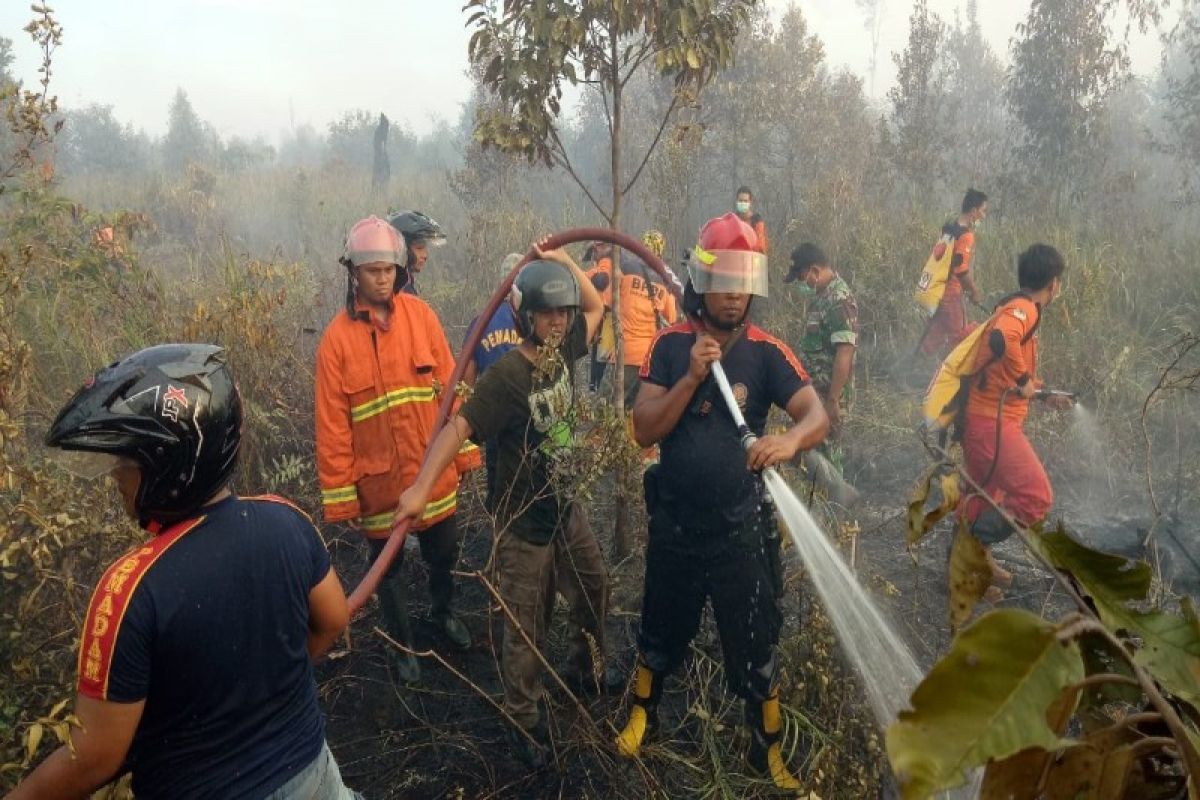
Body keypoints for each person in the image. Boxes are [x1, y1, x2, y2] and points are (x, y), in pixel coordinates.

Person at [9, 344, 357, 800]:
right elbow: (333, 620)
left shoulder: (129, 589)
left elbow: (95, 757)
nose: (116, 476)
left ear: (172, 465)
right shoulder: (286, 519)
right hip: (315, 778)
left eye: (127, 464)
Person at [615, 213, 828, 791]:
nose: (734, 294)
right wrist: (689, 378)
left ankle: (768, 752)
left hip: (740, 532)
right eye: (724, 280)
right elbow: (642, 430)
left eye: (744, 280)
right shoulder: (669, 345)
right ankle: (642, 714)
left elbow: (817, 414)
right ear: (703, 283)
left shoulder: (765, 353)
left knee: (756, 644)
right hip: (677, 528)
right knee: (659, 628)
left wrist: (787, 439)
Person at [394, 240, 612, 770]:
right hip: (521, 524)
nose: (559, 321)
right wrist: (422, 487)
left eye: (560, 312)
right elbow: (459, 427)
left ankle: (587, 670)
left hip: (565, 507)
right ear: (526, 316)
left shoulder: (564, 355)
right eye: (547, 312)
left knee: (595, 587)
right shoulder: (507, 376)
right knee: (525, 625)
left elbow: (597, 307)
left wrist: (561, 263)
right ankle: (524, 715)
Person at [315, 216, 471, 688]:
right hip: (379, 484)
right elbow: (333, 426)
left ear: (399, 270)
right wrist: (341, 496)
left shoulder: (422, 318)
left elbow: (453, 391)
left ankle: (443, 614)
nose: (382, 278)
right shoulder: (336, 343)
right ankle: (403, 643)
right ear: (353, 273)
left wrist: (463, 456)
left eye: (388, 269)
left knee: (445, 551)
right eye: (372, 271)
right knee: (389, 568)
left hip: (433, 474)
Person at [959, 244, 1072, 594]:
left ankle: (974, 566)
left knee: (982, 496)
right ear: (1053, 284)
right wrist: (1024, 381)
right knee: (1035, 497)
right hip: (990, 424)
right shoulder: (1024, 310)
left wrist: (1040, 393)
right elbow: (1003, 338)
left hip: (982, 419)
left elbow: (1001, 373)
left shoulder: (1014, 305)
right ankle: (969, 558)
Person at [785, 242, 858, 475]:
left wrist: (833, 400)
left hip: (829, 395)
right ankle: (815, 498)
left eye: (802, 277)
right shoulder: (822, 296)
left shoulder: (839, 300)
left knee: (826, 451)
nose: (801, 284)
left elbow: (845, 351)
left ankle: (836, 505)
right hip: (815, 392)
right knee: (809, 448)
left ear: (815, 271)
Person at [462, 252, 525, 509]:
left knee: (498, 478)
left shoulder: (481, 322)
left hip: (492, 419)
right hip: (528, 417)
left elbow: (466, 381)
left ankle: (498, 522)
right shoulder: (533, 320)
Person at [602, 230, 678, 408]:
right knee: (634, 415)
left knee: (603, 411)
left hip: (623, 354)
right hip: (648, 360)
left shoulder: (624, 269)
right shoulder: (665, 279)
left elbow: (606, 301)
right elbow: (672, 316)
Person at [918, 188, 987, 358]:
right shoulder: (966, 236)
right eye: (983, 211)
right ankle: (949, 374)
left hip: (936, 291)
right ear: (973, 211)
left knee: (935, 334)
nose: (984, 216)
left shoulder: (949, 228)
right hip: (951, 294)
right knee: (962, 335)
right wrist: (974, 291)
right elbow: (961, 269)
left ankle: (909, 370)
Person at [386, 209, 447, 296]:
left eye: (425, 248)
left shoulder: (402, 282)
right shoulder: (396, 289)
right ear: (402, 249)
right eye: (419, 248)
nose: (425, 255)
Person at [584, 241, 615, 391]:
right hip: (603, 315)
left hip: (609, 315)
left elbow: (602, 280)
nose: (593, 258)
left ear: (598, 249)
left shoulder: (607, 262)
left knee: (601, 356)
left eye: (593, 254)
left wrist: (583, 276)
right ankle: (594, 386)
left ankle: (596, 388)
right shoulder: (605, 264)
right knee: (598, 354)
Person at [734, 185, 768, 254]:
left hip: (751, 261)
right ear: (736, 201)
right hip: (735, 260)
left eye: (745, 201)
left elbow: (761, 248)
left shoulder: (757, 222)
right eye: (740, 201)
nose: (743, 203)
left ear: (750, 202)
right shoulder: (732, 221)